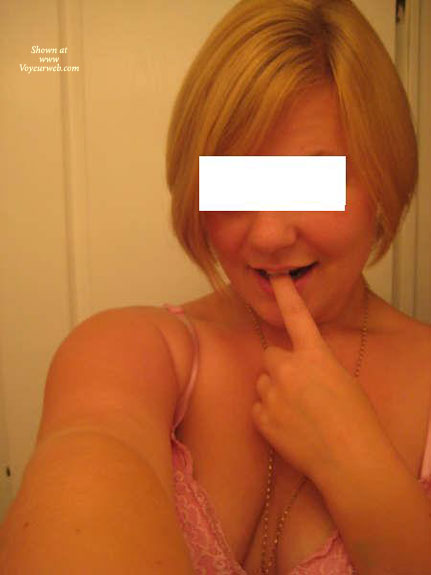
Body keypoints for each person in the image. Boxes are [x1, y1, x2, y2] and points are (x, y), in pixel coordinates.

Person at [1, 0, 430, 574]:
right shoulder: (127, 352)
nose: (268, 235)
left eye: (310, 181)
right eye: (234, 183)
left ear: (383, 175)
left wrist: (358, 465)